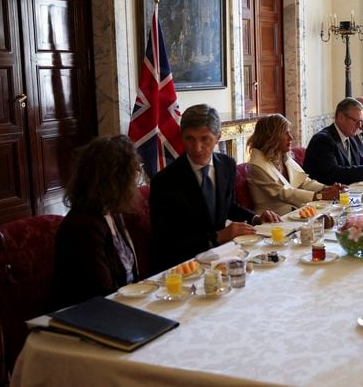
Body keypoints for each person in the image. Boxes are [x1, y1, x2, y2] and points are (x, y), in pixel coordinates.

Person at [150, 104, 281, 271]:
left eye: (204, 139)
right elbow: (165, 241)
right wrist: (217, 237)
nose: (197, 148)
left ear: (218, 137)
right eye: (190, 139)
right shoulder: (165, 181)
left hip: (222, 258)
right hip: (186, 267)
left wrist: (255, 219)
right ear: (182, 137)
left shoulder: (226, 165)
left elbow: (229, 207)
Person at [49, 135, 142, 310]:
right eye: (133, 171)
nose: (137, 177)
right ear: (115, 180)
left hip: (119, 307)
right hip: (88, 317)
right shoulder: (83, 227)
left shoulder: (111, 212)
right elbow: (100, 292)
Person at [247, 114, 343, 215]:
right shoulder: (257, 166)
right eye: (285, 133)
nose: (291, 138)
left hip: (294, 214)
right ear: (272, 137)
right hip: (273, 220)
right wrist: (321, 196)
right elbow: (284, 193)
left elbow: (304, 182)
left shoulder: (281, 155)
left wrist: (327, 188)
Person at [303, 98, 363, 185]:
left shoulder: (350, 137)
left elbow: (361, 162)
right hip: (325, 196)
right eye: (355, 120)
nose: (359, 125)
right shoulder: (323, 140)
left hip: (349, 191)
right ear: (341, 117)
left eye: (361, 121)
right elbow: (332, 173)